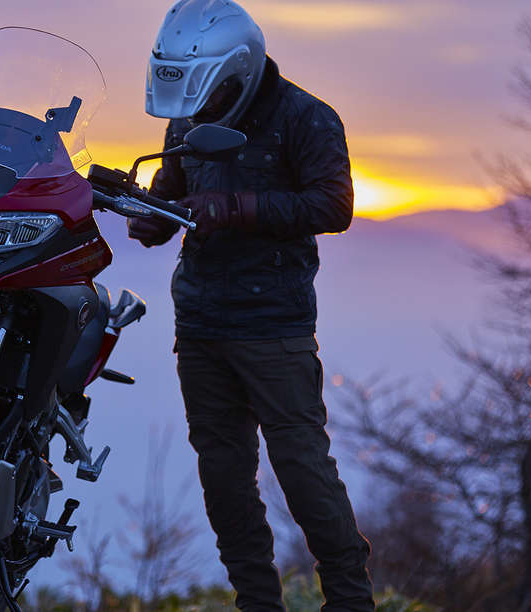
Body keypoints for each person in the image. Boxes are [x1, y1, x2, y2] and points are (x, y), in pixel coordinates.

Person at [129, 1, 374, 610]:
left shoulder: (307, 118)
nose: (196, 110)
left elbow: (333, 206)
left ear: (237, 72)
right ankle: (256, 603)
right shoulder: (188, 114)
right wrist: (147, 215)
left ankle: (350, 601)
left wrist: (240, 209)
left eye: (209, 94)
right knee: (224, 479)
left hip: (275, 329)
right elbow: (174, 191)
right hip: (201, 321)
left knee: (303, 471)